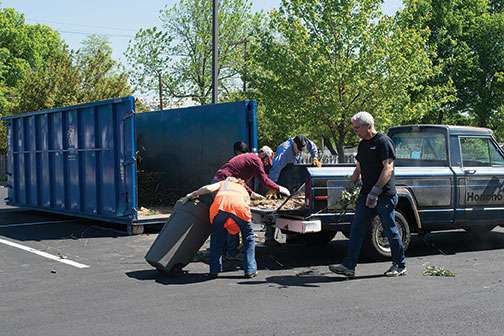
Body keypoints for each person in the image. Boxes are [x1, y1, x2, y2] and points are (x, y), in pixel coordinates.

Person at [328, 111, 406, 278]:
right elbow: (359, 168)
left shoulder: (383, 142)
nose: (355, 130)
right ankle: (348, 266)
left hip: (384, 195)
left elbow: (388, 168)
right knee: (356, 228)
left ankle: (400, 265)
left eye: (357, 127)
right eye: (354, 127)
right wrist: (350, 185)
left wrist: (376, 190)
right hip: (366, 195)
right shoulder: (363, 145)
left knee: (389, 229)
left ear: (368, 126)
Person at [212, 149, 291, 254]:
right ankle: (231, 252)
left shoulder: (248, 158)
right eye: (267, 160)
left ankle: (223, 250)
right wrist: (279, 188)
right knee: (232, 218)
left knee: (225, 219)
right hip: (224, 184)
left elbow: (240, 181)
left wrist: (251, 193)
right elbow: (264, 180)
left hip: (219, 183)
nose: (266, 163)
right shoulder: (255, 160)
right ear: (263, 154)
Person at [181, 177, 260, 279]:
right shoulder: (243, 189)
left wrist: (193, 194)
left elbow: (208, 189)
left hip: (220, 208)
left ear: (229, 180)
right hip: (240, 209)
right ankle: (250, 270)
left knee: (216, 238)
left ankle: (214, 270)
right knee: (249, 237)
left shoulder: (224, 184)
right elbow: (246, 205)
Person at [264, 135, 321, 246]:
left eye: (302, 149)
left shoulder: (306, 141)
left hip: (293, 176)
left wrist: (315, 157)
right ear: (293, 143)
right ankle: (269, 237)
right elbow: (275, 169)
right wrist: (272, 187)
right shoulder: (284, 151)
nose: (300, 151)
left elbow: (313, 147)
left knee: (292, 207)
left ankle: (292, 236)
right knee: (275, 207)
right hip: (281, 177)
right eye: (298, 148)